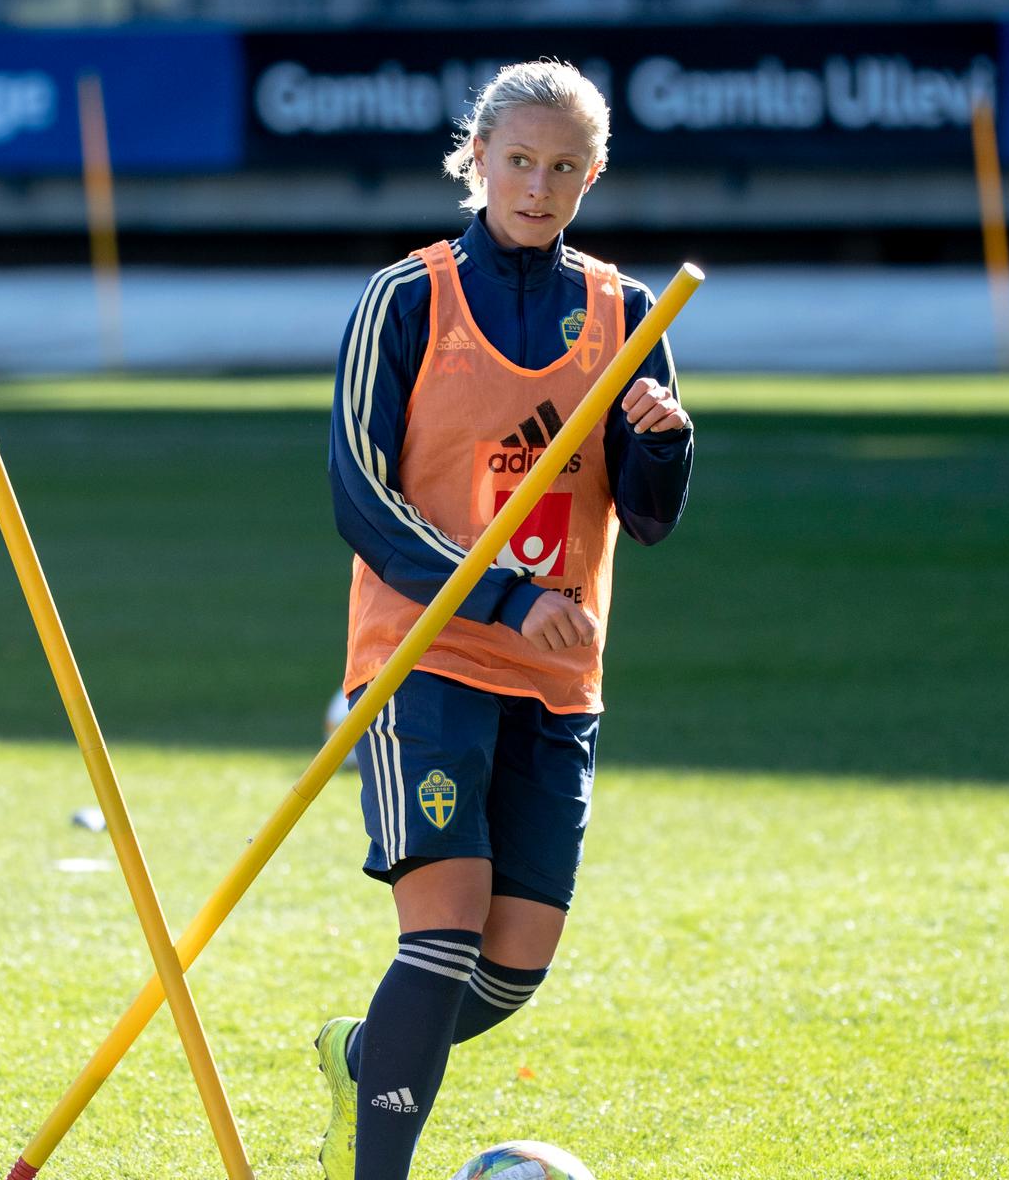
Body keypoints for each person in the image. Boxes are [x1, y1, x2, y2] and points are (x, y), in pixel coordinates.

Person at [315, 60, 694, 1180]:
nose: (540, 185)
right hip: (424, 657)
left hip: (558, 673)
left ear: (593, 176)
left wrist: (667, 446)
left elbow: (650, 516)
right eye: (520, 160)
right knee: (441, 932)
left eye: (566, 167)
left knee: (513, 966)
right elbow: (357, 496)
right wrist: (505, 598)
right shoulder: (405, 300)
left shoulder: (628, 313)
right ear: (475, 157)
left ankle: (355, 1056)